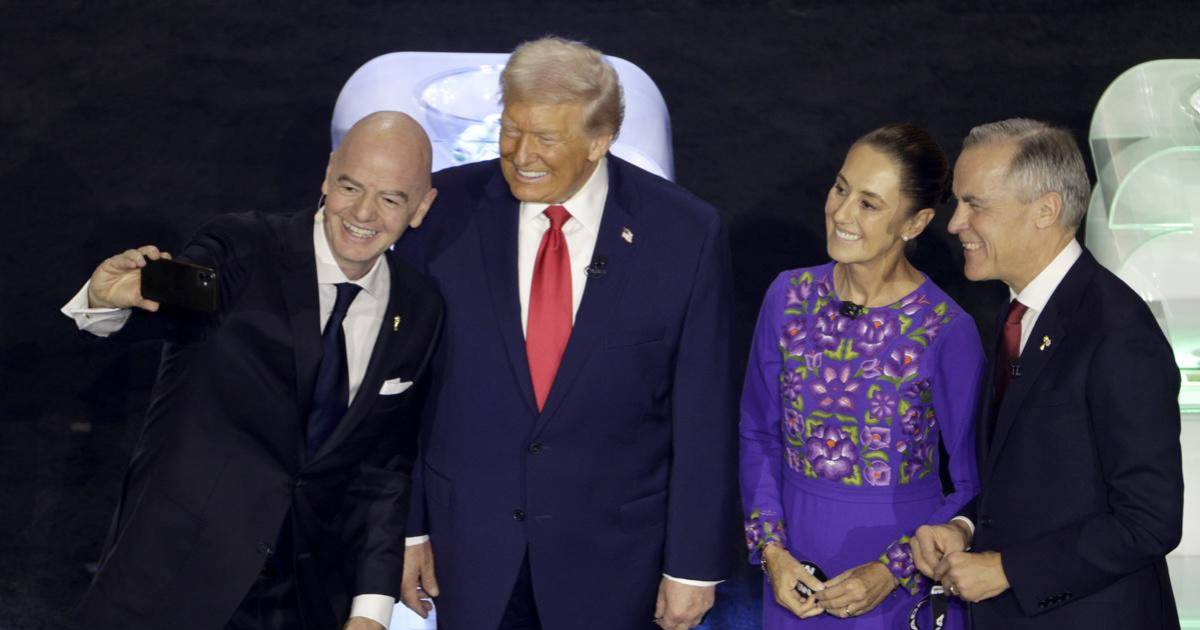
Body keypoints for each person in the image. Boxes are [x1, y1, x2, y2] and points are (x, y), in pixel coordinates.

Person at [394, 36, 737, 630]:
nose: (521, 154)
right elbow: (405, 389)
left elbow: (704, 415)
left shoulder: (684, 234)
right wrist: (408, 530)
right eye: (511, 130)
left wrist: (693, 567)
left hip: (614, 562)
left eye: (547, 138)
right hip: (469, 553)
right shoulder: (442, 212)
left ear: (600, 140)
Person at [60, 112, 442, 630]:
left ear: (422, 207)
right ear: (327, 175)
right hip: (172, 583)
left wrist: (371, 609)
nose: (363, 213)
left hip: (304, 601)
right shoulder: (241, 249)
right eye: (351, 186)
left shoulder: (420, 307)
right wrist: (109, 299)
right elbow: (168, 307)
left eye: (391, 199)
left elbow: (385, 467)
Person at [910, 119, 1183, 629]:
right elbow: (1030, 476)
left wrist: (1007, 570)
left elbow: (1150, 520)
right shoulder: (1020, 314)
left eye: (975, 204)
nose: (955, 223)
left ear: (1045, 210)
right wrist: (964, 527)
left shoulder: (1117, 332)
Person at [740, 123, 985, 628]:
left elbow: (973, 483)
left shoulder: (946, 329)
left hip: (897, 585)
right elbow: (758, 434)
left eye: (869, 204)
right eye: (840, 188)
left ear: (915, 222)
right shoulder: (787, 296)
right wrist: (772, 552)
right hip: (792, 577)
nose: (841, 213)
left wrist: (893, 570)